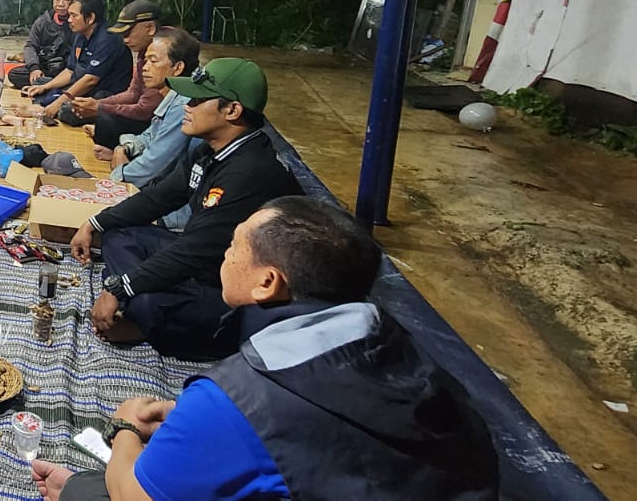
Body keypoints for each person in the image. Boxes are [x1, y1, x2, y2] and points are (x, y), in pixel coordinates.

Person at [32, 197, 499, 501]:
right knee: (87, 489)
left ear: (267, 282)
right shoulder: (396, 345)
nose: (226, 254)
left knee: (103, 490)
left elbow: (135, 496)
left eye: (236, 247)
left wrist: (124, 428)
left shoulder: (238, 395)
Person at [70, 58, 303, 361]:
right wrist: (95, 223)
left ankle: (144, 320)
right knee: (118, 235)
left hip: (238, 291)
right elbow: (159, 197)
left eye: (197, 100)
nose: (187, 106)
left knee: (148, 301)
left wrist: (119, 288)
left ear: (232, 110)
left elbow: (193, 251)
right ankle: (141, 308)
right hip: (208, 265)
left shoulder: (249, 173)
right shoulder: (210, 150)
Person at [99, 26, 201, 230]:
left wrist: (118, 173)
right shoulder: (171, 98)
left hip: (174, 216)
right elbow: (148, 136)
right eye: (145, 61)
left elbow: (153, 164)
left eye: (153, 61)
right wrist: (122, 149)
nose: (145, 67)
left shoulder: (183, 105)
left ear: (177, 68)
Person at [20, 0, 133, 125]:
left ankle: (42, 109)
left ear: (90, 18)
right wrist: (45, 87)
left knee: (68, 110)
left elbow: (90, 80)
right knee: (39, 82)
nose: (69, 20)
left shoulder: (107, 39)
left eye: (74, 15)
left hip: (103, 92)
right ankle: (48, 102)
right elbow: (70, 71)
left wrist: (59, 102)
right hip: (80, 84)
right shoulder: (80, 34)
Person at [73, 0, 162, 146]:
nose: (124, 40)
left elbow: (145, 110)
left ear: (150, 28)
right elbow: (133, 92)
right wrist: (96, 104)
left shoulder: (164, 52)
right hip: (144, 112)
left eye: (128, 33)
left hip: (159, 125)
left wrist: (99, 108)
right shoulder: (144, 49)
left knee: (105, 120)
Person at [8, 0, 78, 88]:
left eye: (66, 0)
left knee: (79, 77)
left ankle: (50, 84)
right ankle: (55, 84)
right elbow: (30, 46)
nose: (60, 4)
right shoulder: (43, 21)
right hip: (46, 68)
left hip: (67, 69)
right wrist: (34, 68)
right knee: (14, 74)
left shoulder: (77, 22)